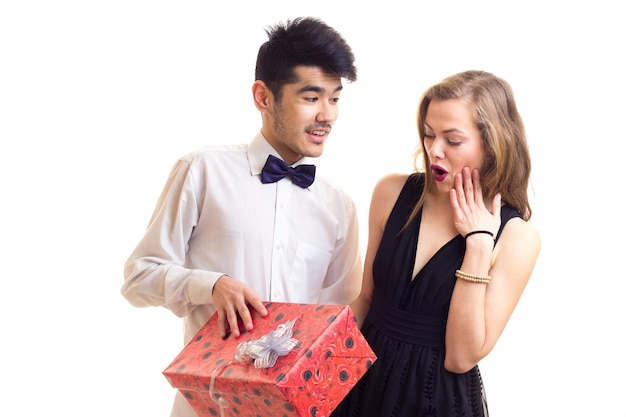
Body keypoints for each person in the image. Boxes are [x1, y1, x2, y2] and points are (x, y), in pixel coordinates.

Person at [121, 17, 362, 417]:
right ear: (263, 97)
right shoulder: (202, 170)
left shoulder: (339, 207)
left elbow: (335, 325)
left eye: (335, 98)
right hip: (206, 406)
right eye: (311, 97)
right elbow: (138, 277)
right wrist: (211, 285)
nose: (327, 115)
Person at [331, 70, 542, 417]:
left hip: (436, 401)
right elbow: (365, 299)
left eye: (453, 140)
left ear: (494, 144)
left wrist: (477, 244)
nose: (434, 150)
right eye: (429, 135)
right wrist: (314, 360)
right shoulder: (391, 192)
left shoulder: (518, 238)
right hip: (361, 386)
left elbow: (460, 357)